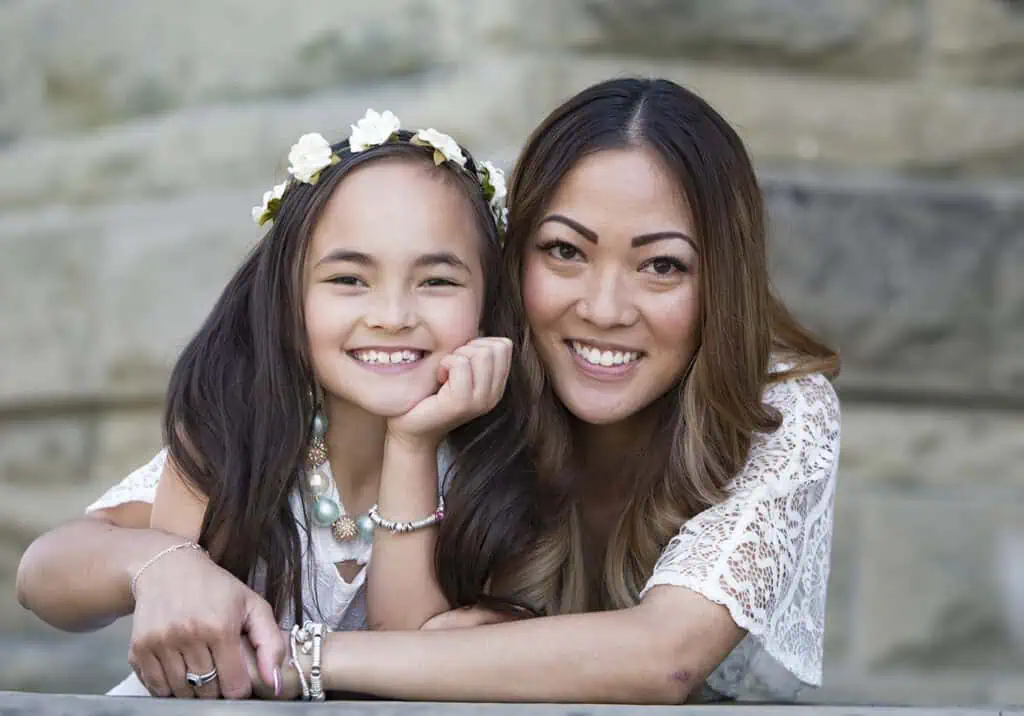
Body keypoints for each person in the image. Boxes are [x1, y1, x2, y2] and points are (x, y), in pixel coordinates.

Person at [19, 77, 840, 704]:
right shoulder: (462, 402)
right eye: (564, 251)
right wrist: (164, 566)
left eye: (663, 265)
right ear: (516, 267)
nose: (604, 307)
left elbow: (666, 654)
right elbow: (64, 564)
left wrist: (296, 657)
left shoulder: (773, 408)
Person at [18, 108, 512, 699]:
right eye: (349, 280)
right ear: (289, 300)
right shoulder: (246, 434)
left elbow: (406, 669)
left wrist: (413, 442)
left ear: (491, 302)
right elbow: (41, 576)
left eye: (436, 281)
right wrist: (162, 563)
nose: (393, 316)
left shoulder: (499, 469)